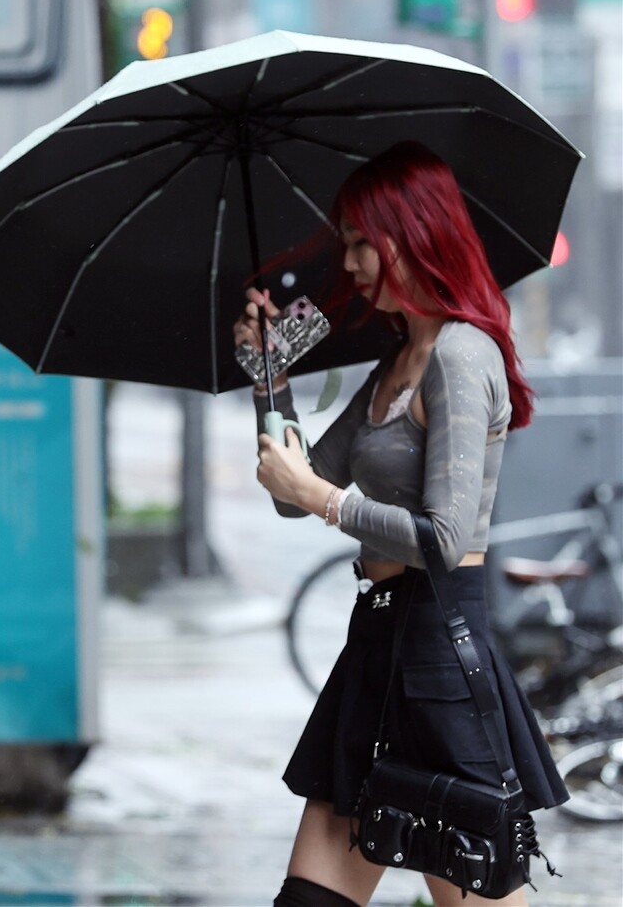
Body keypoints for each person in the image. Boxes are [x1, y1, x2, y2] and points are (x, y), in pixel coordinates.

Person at [234, 142, 566, 907]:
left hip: (440, 655)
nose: (348, 260)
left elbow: (443, 543)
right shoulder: (396, 363)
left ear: (408, 235)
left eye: (359, 240)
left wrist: (323, 500)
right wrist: (269, 381)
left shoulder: (460, 354)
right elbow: (295, 488)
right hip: (378, 651)